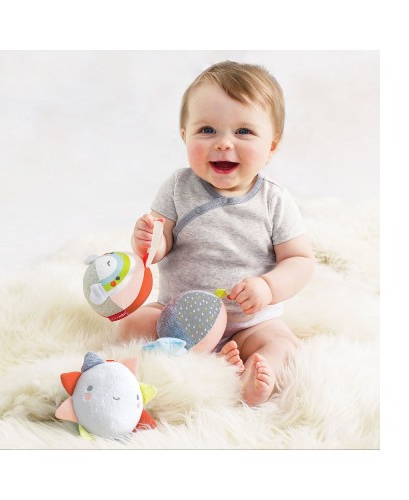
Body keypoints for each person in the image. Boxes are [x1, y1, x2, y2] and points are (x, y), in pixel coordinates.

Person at [117, 61, 315, 406]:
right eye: (207, 130)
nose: (223, 143)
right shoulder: (178, 187)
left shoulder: (274, 200)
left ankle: (255, 375)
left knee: (282, 344)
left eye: (244, 131)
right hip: (178, 319)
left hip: (250, 323)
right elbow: (162, 242)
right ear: (185, 136)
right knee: (132, 324)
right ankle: (181, 360)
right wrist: (149, 241)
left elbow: (300, 260)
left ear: (271, 146)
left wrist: (268, 287)